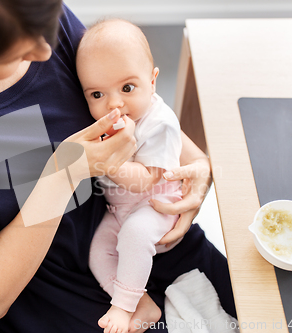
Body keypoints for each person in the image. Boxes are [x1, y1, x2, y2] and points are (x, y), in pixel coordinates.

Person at [0, 1, 236, 332]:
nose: (43, 49)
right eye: (14, 50)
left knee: (266, 310)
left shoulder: (25, 15)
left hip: (137, 224)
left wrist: (198, 163)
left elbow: (129, 102)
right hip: (55, 292)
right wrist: (63, 174)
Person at [76, 19, 184, 333]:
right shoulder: (109, 121)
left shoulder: (159, 122)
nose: (115, 104)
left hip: (156, 205)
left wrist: (105, 162)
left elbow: (146, 180)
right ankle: (140, 302)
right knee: (97, 252)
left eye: (127, 88)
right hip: (118, 209)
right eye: (97, 94)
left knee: (135, 235)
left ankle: (122, 306)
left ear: (153, 81)